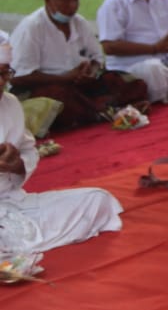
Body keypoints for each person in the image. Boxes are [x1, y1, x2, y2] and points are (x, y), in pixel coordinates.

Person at [0, 75, 123, 254]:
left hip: (12, 202)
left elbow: (28, 151)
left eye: (4, 73)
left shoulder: (10, 103)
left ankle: (11, 244)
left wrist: (18, 164)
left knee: (97, 199)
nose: (1, 81)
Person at [9, 0, 147, 129]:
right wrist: (65, 78)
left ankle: (100, 110)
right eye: (66, 0)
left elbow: (97, 59)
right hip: (47, 88)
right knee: (60, 98)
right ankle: (104, 110)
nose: (73, 6)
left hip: (79, 85)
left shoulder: (80, 23)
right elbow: (18, 77)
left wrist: (91, 73)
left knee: (130, 82)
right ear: (48, 0)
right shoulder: (32, 28)